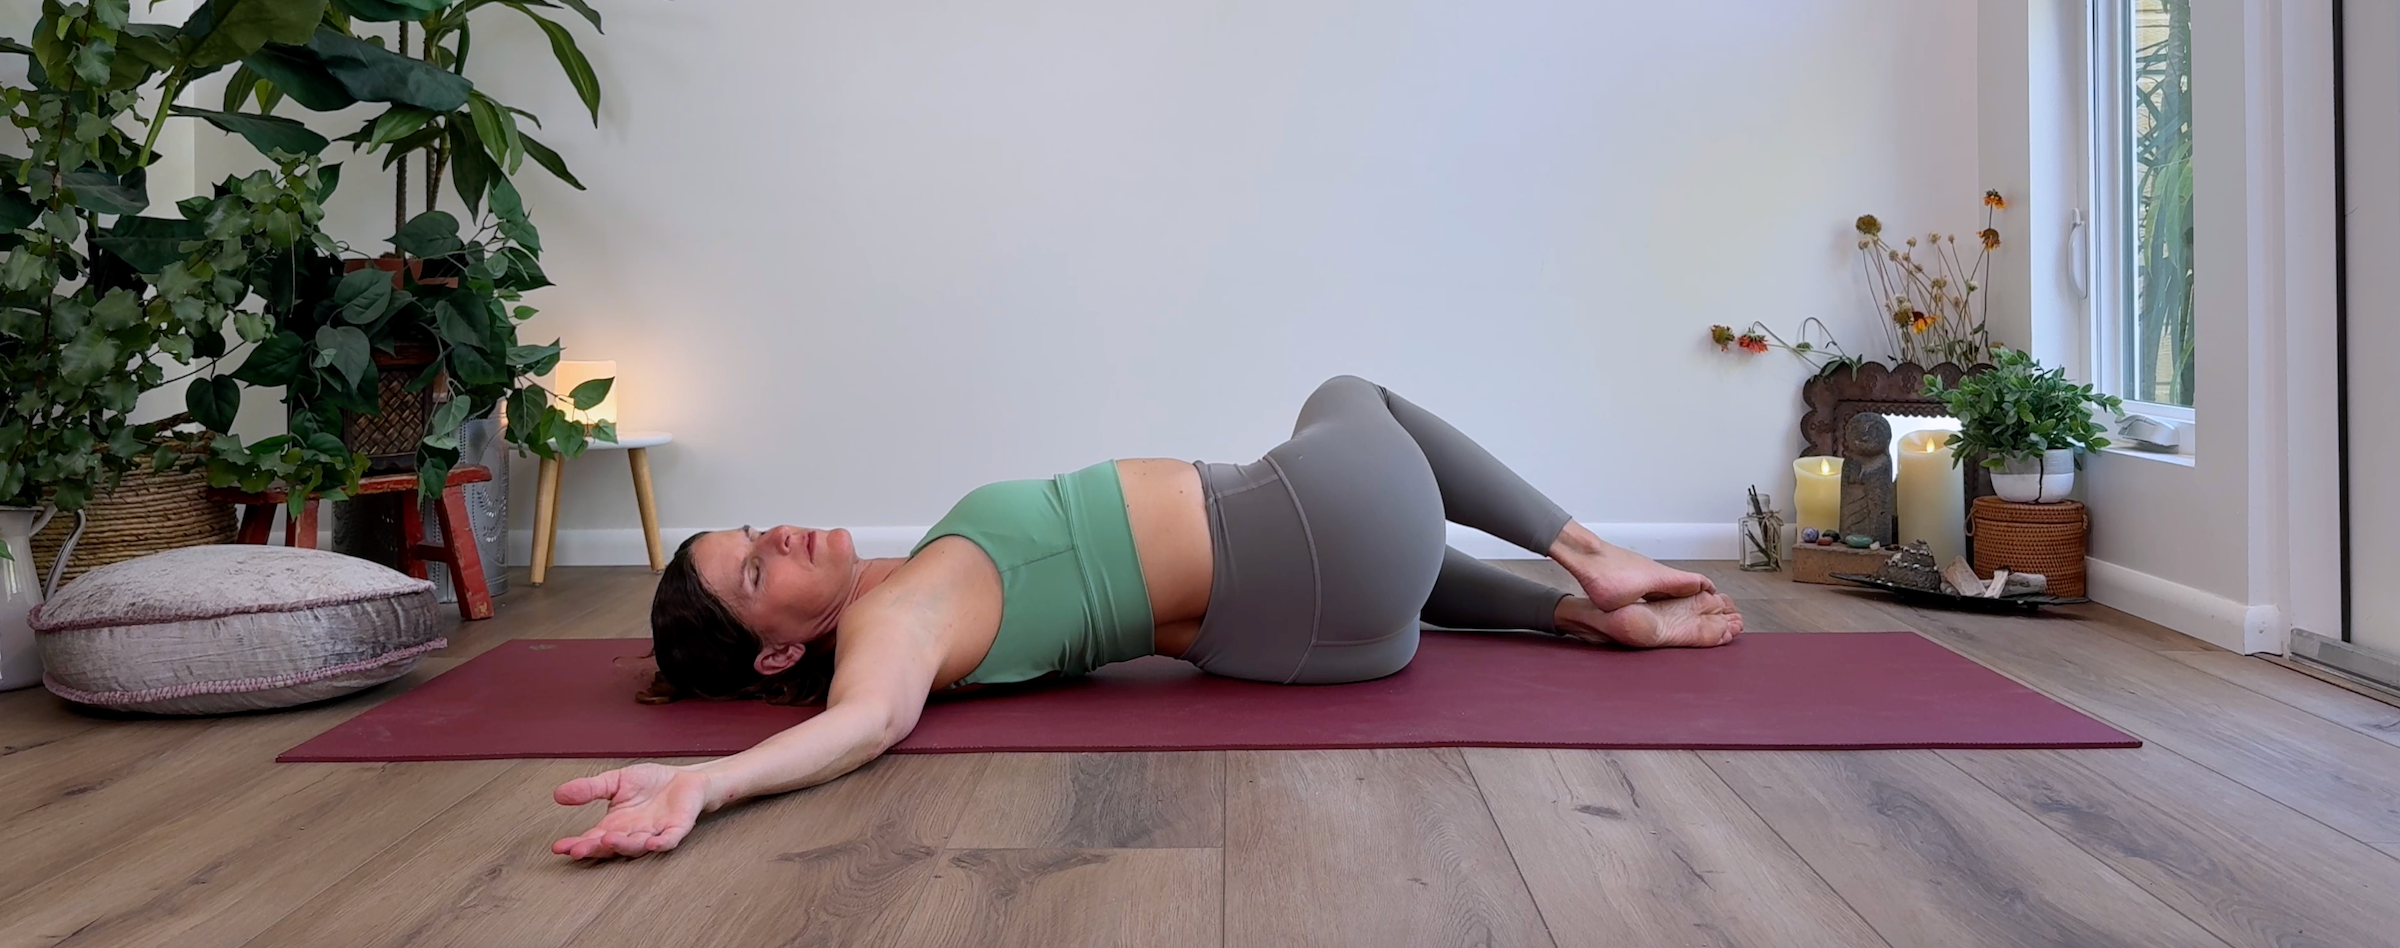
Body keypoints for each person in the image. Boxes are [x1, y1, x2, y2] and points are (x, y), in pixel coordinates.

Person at [552, 375, 1742, 859]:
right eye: (756, 572)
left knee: (1393, 551)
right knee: (1349, 393)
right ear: (777, 649)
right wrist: (710, 783)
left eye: (754, 530)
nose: (781, 538)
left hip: (1331, 645)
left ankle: (1572, 618)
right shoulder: (898, 618)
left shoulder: (911, 599)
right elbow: (864, 725)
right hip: (1331, 541)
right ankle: (1590, 561)